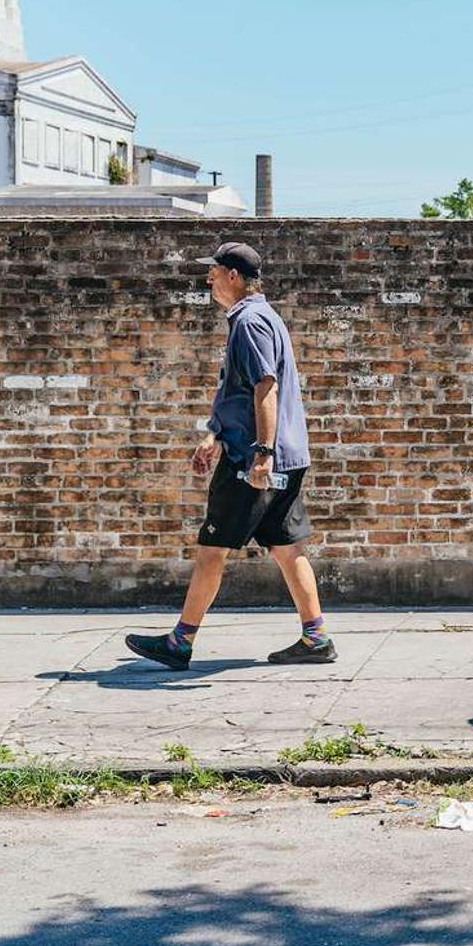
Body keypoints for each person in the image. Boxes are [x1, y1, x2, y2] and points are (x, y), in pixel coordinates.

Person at [126, 242, 335, 670]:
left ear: (234, 277)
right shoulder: (264, 317)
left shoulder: (249, 322)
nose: (209, 279)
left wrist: (260, 454)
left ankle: (179, 642)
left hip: (252, 461)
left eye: (215, 272)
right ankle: (316, 639)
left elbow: (265, 387)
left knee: (212, 548)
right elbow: (240, 395)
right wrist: (216, 435)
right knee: (286, 547)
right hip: (286, 454)